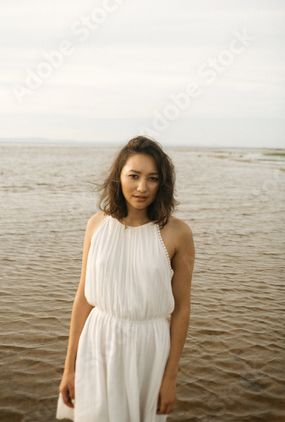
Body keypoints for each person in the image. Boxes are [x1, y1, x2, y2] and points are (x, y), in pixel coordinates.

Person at [56, 135, 195, 421]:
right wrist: (69, 368)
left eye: (153, 178)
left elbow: (181, 310)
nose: (142, 187)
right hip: (98, 340)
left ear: (163, 184)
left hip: (148, 348)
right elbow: (83, 297)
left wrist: (170, 378)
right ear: (119, 177)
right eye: (134, 176)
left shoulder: (177, 233)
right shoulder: (97, 225)